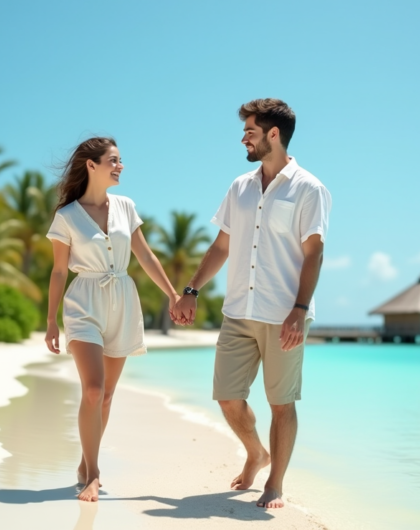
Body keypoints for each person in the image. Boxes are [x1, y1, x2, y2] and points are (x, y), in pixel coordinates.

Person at [174, 99, 331, 509]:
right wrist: (191, 290)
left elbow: (314, 253)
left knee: (281, 404)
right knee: (227, 397)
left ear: (273, 135)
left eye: (250, 131)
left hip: (284, 316)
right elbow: (222, 245)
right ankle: (256, 453)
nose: (243, 137)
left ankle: (274, 483)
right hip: (237, 312)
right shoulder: (239, 187)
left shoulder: (309, 189)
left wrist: (299, 308)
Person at [45, 137, 180, 502]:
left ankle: (85, 462)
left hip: (122, 300)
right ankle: (93, 473)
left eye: (120, 161)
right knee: (92, 389)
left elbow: (146, 256)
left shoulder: (126, 206)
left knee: (105, 397)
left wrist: (172, 294)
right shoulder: (67, 216)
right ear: (92, 165)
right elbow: (59, 272)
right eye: (113, 161)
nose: (120, 166)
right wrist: (52, 320)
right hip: (83, 303)